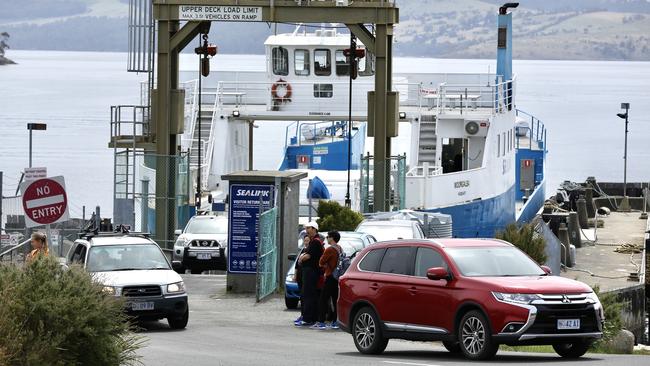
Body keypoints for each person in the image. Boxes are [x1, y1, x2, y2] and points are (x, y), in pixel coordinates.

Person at [294, 221, 323, 327]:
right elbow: (305, 253)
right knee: (307, 295)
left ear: (314, 229)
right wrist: (302, 257)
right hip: (309, 272)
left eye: (308, 228)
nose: (307, 230)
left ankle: (309, 319)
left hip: (311, 272)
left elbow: (307, 256)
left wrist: (301, 259)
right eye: (306, 228)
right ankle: (308, 317)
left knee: (309, 295)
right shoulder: (312, 241)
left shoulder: (316, 242)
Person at [314, 230, 342, 330]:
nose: (327, 238)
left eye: (328, 236)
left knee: (323, 299)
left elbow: (321, 262)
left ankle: (321, 322)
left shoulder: (330, 249)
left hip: (330, 276)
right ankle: (335, 321)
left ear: (332, 238)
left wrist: (325, 264)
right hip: (337, 277)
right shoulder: (339, 248)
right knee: (335, 299)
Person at [292, 235, 311, 326]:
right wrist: (295, 275)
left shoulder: (310, 252)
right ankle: (302, 315)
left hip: (306, 277)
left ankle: (305, 316)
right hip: (300, 276)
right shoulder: (303, 250)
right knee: (301, 297)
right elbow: (296, 265)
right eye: (305, 240)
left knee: (305, 297)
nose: (306, 242)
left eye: (307, 240)